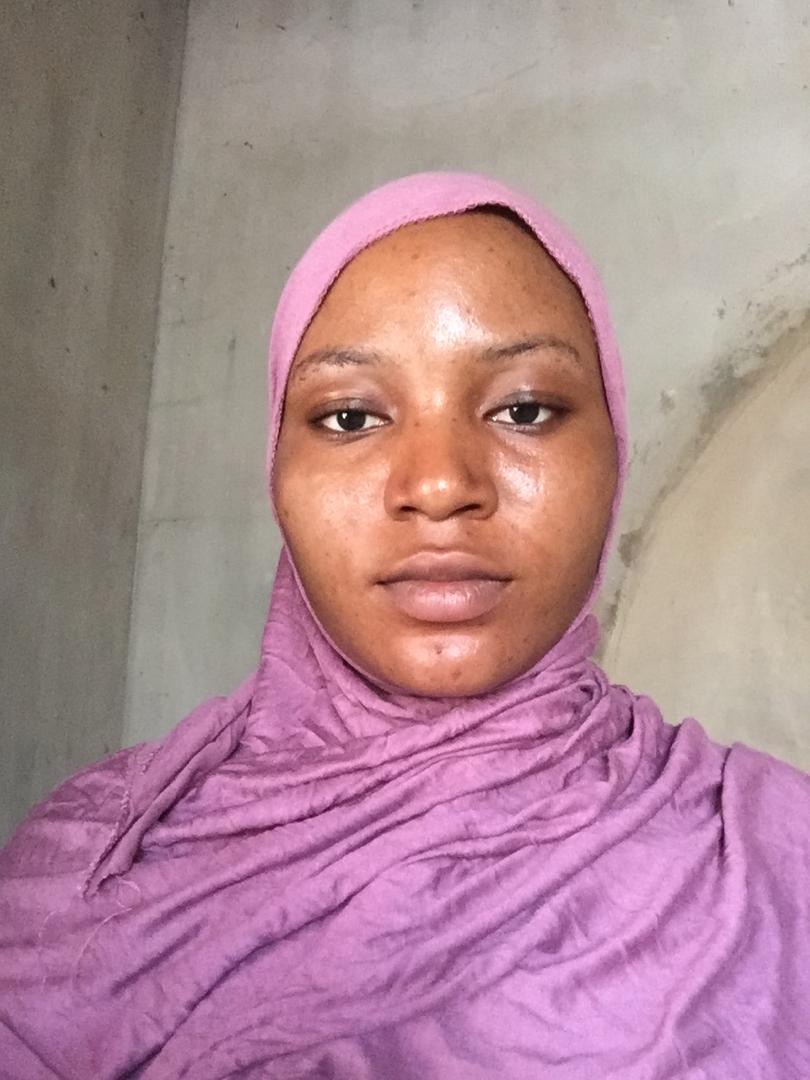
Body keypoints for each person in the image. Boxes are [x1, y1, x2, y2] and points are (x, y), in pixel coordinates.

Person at [1, 172, 808, 1079]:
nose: (439, 485)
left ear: (613, 454)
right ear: (277, 472)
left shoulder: (773, 864)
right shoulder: (78, 870)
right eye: (350, 417)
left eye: (525, 409)